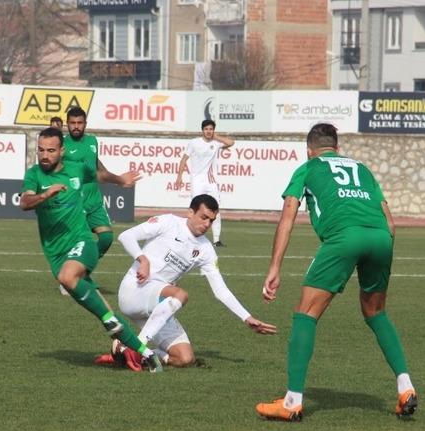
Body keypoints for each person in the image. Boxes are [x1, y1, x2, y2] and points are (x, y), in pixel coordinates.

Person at [255, 123, 416, 422]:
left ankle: (291, 401)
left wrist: (275, 267)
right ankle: (405, 387)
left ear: (309, 150)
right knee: (376, 312)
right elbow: (390, 222)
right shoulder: (362, 169)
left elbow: (287, 217)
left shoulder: (307, 168)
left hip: (344, 238)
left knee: (306, 313)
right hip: (381, 238)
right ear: (337, 149)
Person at [20, 127, 162, 372]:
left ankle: (115, 326)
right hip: (56, 252)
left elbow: (98, 174)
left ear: (61, 151)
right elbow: (25, 201)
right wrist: (46, 194)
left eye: (51, 150)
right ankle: (145, 353)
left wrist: (120, 180)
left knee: (67, 277)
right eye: (41, 150)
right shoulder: (33, 175)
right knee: (105, 317)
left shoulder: (76, 167)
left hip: (83, 241)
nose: (45, 155)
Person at [94, 194, 277, 370]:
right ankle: (138, 348)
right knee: (181, 294)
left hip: (160, 305)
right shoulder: (168, 222)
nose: (207, 224)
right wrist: (143, 259)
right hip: (134, 291)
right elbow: (126, 236)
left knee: (184, 358)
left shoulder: (206, 250)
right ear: (191, 212)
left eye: (211, 221)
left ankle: (125, 351)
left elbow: (220, 290)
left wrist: (247, 317)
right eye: (203, 217)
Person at [63, 106, 136, 258]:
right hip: (74, 204)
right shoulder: (62, 146)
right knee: (79, 243)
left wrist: (115, 180)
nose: (76, 126)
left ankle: (84, 267)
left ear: (85, 123)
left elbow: (96, 164)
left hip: (94, 201)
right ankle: (74, 273)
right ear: (67, 124)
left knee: (106, 238)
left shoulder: (92, 141)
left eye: (80, 122)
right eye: (72, 123)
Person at [174, 120, 234, 247]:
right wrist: (179, 177)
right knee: (195, 209)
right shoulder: (194, 143)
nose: (209, 131)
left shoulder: (216, 143)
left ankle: (216, 240)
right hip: (197, 182)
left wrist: (216, 137)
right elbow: (184, 159)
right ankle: (185, 235)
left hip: (210, 182)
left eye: (211, 129)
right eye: (206, 129)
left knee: (215, 209)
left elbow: (231, 142)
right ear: (202, 130)